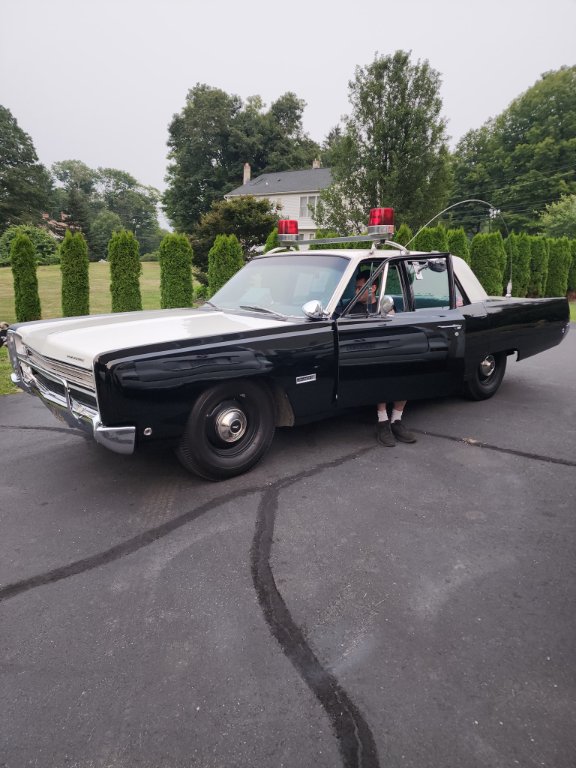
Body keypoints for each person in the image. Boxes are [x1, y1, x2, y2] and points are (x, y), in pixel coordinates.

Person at [350, 273, 417, 448]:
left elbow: (400, 328)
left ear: (372, 288)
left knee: (405, 368)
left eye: (359, 288)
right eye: (356, 288)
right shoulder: (353, 308)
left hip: (391, 349)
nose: (356, 291)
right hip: (368, 354)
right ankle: (382, 421)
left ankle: (396, 420)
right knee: (380, 370)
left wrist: (392, 315)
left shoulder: (386, 304)